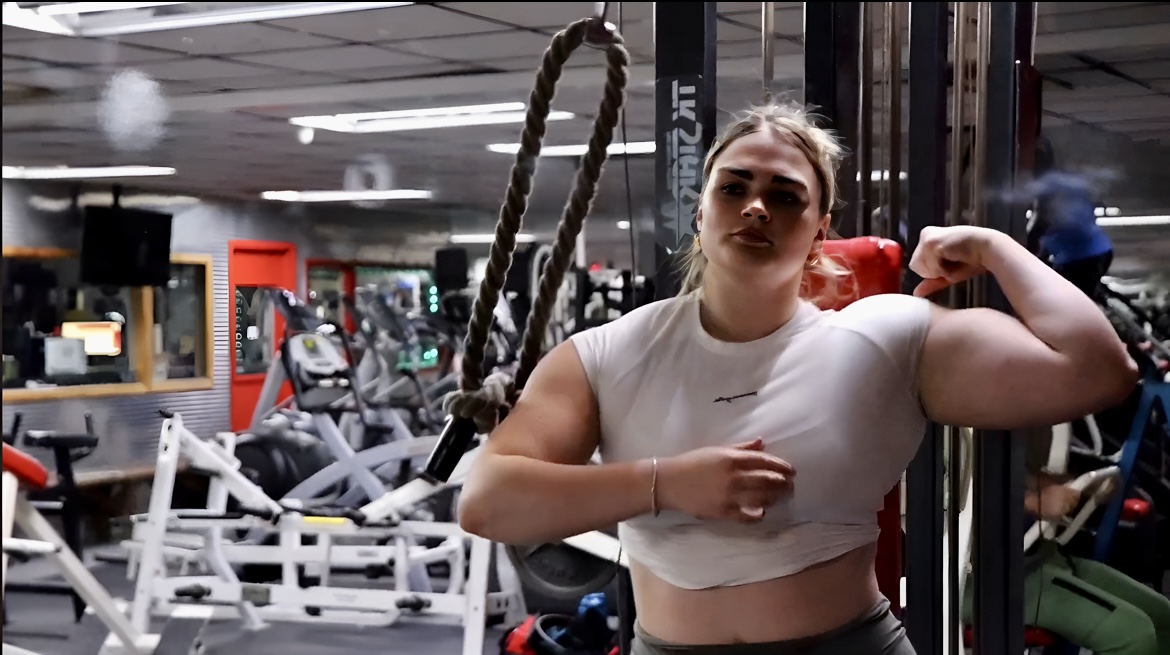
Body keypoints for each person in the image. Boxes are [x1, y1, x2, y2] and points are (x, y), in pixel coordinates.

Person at [457, 103, 1140, 655]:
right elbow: (486, 500)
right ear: (701, 213)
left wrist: (995, 247)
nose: (756, 206)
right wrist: (664, 484)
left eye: (785, 196)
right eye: (734, 187)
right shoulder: (609, 352)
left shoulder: (882, 339)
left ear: (819, 233)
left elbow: (1098, 371)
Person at [962, 464, 1170, 655]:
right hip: (983, 583)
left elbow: (1015, 478)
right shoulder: (950, 444)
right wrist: (1031, 503)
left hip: (1036, 557)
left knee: (1163, 618)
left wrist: (1070, 487)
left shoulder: (988, 448)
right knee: (1131, 635)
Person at [1029, 137, 1115, 298]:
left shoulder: (1048, 187)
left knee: (1066, 300)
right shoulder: (1063, 181)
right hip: (1096, 252)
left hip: (1081, 258)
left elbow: (1042, 223)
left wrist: (1033, 254)